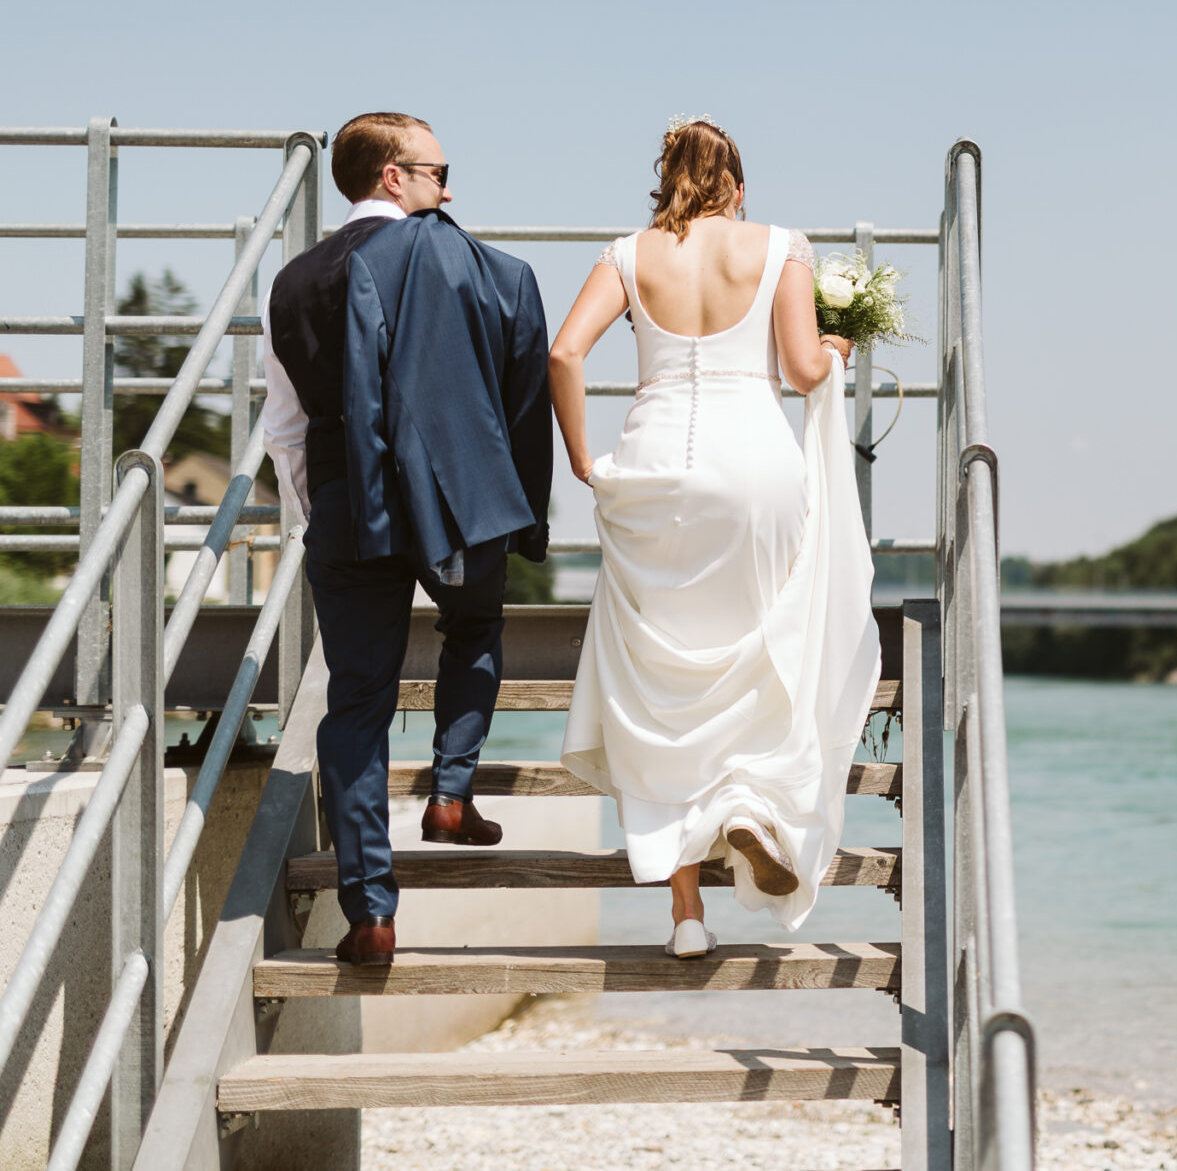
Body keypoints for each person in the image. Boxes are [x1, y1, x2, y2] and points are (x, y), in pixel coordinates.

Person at [549, 116, 880, 958]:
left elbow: (564, 353)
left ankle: (685, 915)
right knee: (758, 649)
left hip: (656, 466)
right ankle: (749, 809)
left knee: (658, 678)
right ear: (737, 186)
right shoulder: (780, 245)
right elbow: (804, 370)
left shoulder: (628, 253)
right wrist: (838, 348)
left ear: (665, 181)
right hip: (755, 467)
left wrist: (584, 457)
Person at [262, 111, 553, 967]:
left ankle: (373, 913)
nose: (449, 188)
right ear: (394, 176)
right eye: (437, 170)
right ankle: (452, 790)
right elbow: (518, 394)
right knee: (473, 626)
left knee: (356, 700)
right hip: (460, 497)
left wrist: (322, 513)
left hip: (347, 505)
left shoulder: (292, 280)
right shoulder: (476, 266)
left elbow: (284, 426)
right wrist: (516, 505)